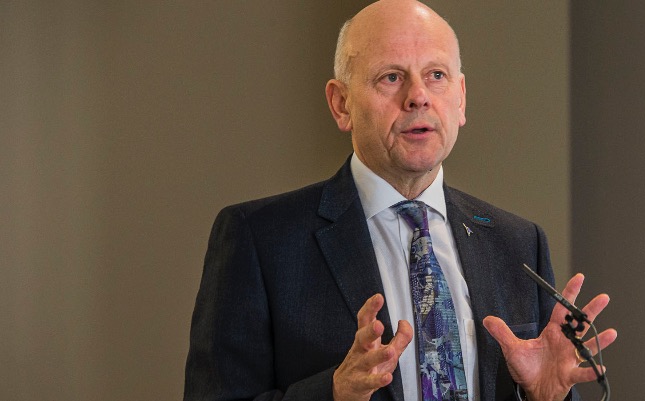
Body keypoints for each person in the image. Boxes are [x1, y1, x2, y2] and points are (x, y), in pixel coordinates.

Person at [183, 1, 617, 400]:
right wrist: (333, 393)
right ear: (341, 104)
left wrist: (544, 396)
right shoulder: (261, 240)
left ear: (461, 98)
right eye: (391, 77)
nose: (418, 96)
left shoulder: (518, 243)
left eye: (436, 75)